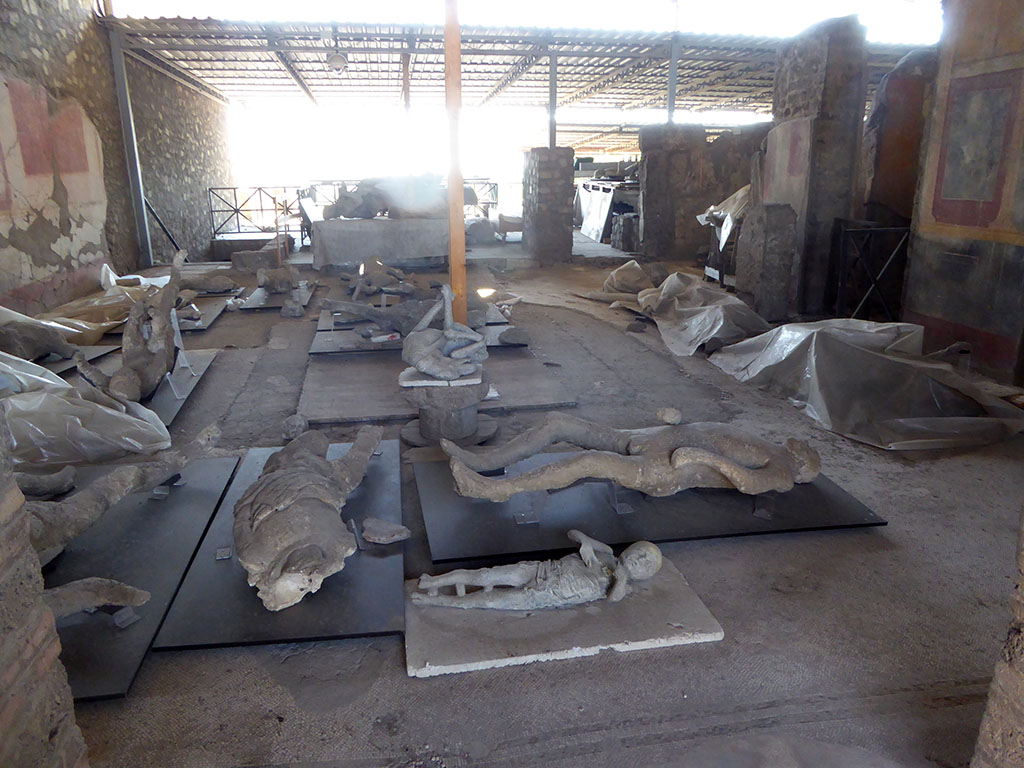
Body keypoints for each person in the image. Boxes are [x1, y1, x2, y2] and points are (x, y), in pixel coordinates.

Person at [410, 530, 662, 610]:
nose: (638, 559)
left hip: (545, 594)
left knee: (490, 601)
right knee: (485, 574)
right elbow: (573, 533)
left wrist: (620, 579)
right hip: (542, 569)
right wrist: (584, 541)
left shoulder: (624, 586)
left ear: (645, 573)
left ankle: (438, 601)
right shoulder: (606, 551)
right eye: (640, 552)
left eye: (645, 562)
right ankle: (433, 581)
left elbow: (613, 598)